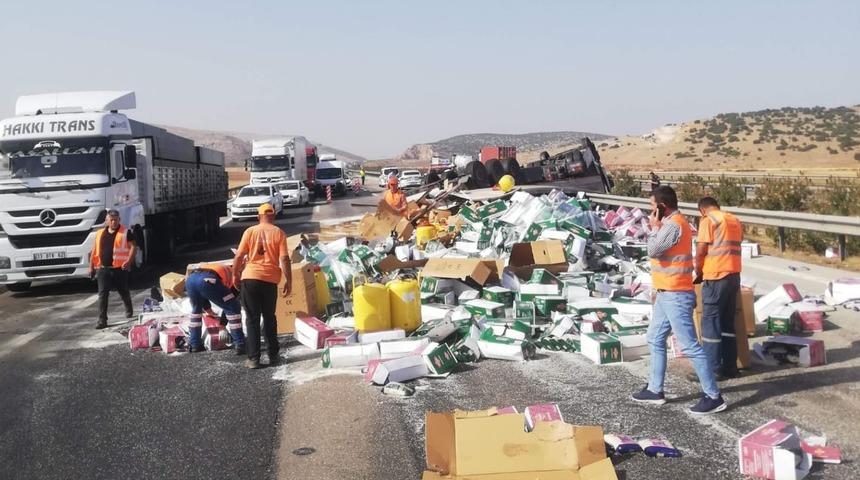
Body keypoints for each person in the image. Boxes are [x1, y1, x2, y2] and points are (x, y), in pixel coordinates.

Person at [631, 186, 727, 415]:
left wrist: (654, 229)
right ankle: (655, 390)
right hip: (667, 293)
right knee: (654, 338)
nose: (650, 212)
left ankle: (714, 396)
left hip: (676, 295)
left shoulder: (674, 225)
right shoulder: (671, 224)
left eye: (652, 207)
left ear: (662, 207)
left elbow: (653, 250)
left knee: (690, 346)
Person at [232, 203, 291, 369]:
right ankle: (273, 356)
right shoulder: (279, 233)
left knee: (252, 319)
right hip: (270, 280)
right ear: (273, 216)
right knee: (269, 317)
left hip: (250, 278)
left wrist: (235, 275)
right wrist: (289, 281)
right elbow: (285, 259)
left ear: (258, 217)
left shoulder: (250, 231)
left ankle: (253, 359)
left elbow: (238, 256)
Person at [695, 196, 743, 380]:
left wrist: (698, 271)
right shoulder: (734, 219)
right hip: (733, 276)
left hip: (715, 276)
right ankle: (730, 366)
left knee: (710, 323)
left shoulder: (708, 220)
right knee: (727, 323)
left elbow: (701, 251)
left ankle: (711, 370)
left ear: (702, 210)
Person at [89, 209, 136, 329]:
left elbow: (133, 247)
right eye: (111, 220)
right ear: (106, 221)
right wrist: (91, 267)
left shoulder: (126, 232)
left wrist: (128, 261)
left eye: (116, 220)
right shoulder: (99, 233)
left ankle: (128, 309)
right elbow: (94, 251)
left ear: (119, 220)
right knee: (102, 295)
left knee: (123, 290)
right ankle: (102, 320)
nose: (114, 222)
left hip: (119, 269)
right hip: (103, 269)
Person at [185, 262, 247, 354]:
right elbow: (229, 305)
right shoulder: (237, 279)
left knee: (196, 311)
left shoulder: (225, 268)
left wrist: (208, 310)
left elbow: (202, 292)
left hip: (190, 280)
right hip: (208, 280)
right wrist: (222, 326)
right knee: (233, 306)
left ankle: (195, 345)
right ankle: (240, 343)